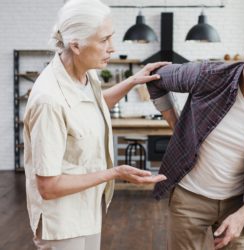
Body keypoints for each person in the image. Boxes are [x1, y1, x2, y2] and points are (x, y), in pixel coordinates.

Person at [23, 0, 169, 249]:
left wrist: (133, 81)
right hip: (62, 223)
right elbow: (48, 186)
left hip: (87, 210)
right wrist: (115, 173)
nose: (112, 48)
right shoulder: (49, 100)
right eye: (104, 40)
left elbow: (92, 105)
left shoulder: (85, 75)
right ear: (76, 45)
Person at [147, 27, 244, 250]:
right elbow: (155, 79)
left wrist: (242, 215)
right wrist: (176, 124)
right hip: (189, 198)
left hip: (238, 202)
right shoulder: (208, 75)